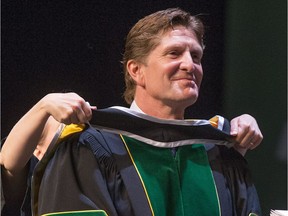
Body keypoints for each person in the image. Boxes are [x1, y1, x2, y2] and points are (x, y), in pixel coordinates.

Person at [1, 8, 263, 216]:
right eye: (174, 53)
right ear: (136, 71)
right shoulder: (92, 145)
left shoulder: (216, 150)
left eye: (196, 56)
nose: (189, 65)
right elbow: (11, 178)